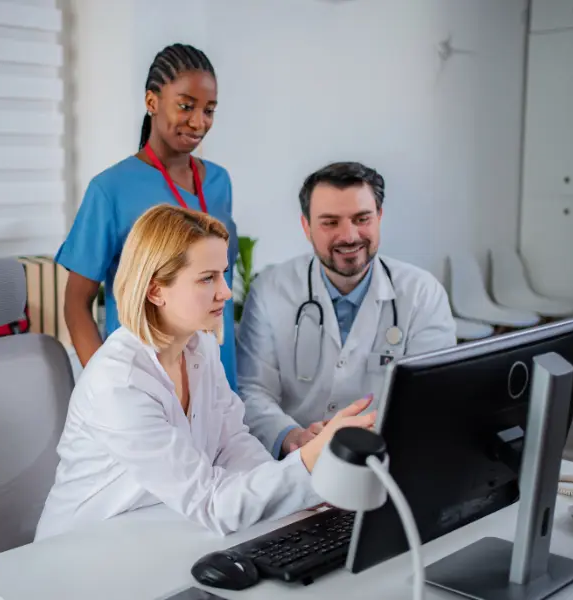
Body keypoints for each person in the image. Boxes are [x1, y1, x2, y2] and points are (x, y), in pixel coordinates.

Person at [34, 205, 375, 540]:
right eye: (207, 278)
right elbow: (211, 503)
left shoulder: (200, 347)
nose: (225, 291)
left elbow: (233, 446)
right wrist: (309, 462)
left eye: (223, 274)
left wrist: (297, 492)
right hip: (82, 551)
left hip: (153, 530)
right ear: (155, 290)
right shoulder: (120, 383)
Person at [237, 161, 457, 459]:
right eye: (330, 222)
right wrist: (291, 436)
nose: (349, 236)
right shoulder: (270, 290)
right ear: (307, 227)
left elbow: (432, 395)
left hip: (387, 459)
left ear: (379, 217)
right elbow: (252, 389)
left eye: (362, 218)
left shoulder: (422, 293)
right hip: (296, 466)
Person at [55, 43, 240, 391]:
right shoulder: (111, 189)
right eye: (186, 106)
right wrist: (106, 387)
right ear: (152, 102)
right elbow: (75, 303)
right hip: (145, 380)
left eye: (209, 110)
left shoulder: (218, 182)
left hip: (218, 375)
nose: (199, 122)